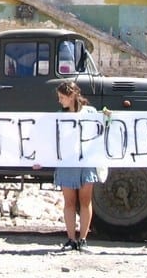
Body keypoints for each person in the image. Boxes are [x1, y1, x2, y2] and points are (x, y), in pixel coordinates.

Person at [52, 80, 100, 252]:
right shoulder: (60, 116)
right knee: (69, 201)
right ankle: (71, 239)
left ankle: (83, 239)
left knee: (85, 200)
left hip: (86, 161)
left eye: (62, 97)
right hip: (67, 162)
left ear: (71, 96)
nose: (59, 100)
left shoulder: (90, 112)